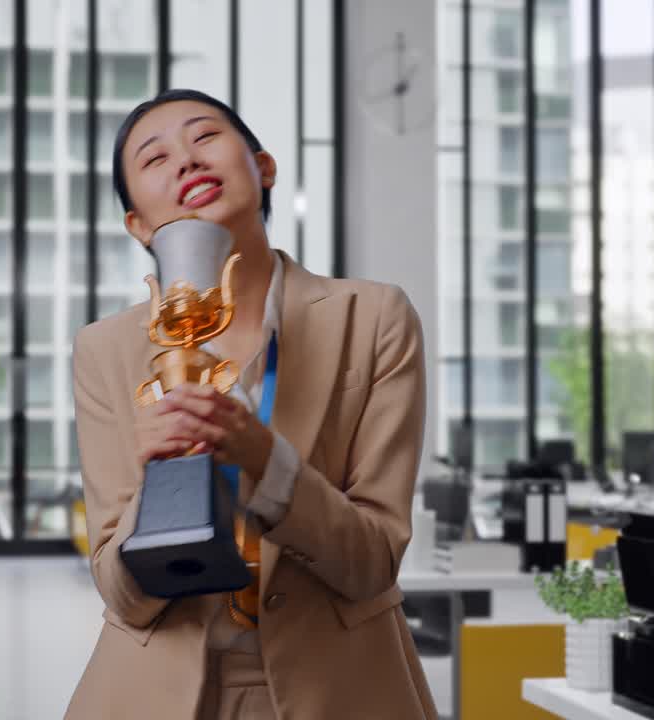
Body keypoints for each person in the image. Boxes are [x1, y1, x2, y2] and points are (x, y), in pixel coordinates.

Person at [66, 88, 437, 720]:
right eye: (155, 159)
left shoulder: (375, 318)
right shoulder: (105, 351)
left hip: (341, 691)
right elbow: (121, 594)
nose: (186, 160)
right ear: (139, 226)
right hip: (159, 694)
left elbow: (373, 562)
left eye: (206, 137)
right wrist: (154, 492)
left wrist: (267, 463)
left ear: (262, 168)